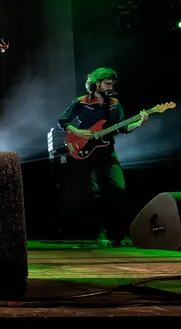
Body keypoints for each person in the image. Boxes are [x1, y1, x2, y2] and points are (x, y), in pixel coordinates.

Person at [58, 67, 149, 247]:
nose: (111, 88)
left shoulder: (114, 104)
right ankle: (100, 232)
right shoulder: (81, 101)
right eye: (107, 84)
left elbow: (123, 128)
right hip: (85, 152)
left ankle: (120, 234)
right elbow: (63, 121)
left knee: (120, 188)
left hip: (107, 151)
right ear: (97, 83)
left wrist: (139, 122)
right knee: (94, 192)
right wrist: (78, 132)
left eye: (112, 84)